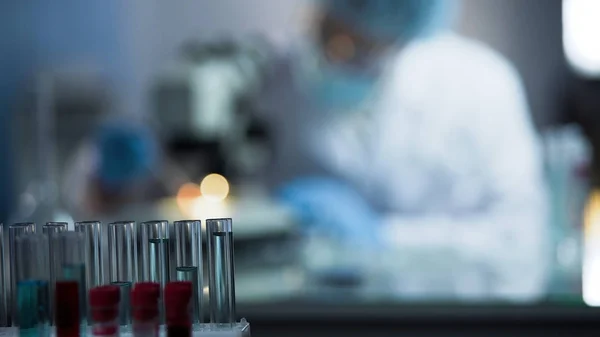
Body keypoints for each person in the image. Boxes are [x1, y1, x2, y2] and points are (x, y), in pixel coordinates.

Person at [257, 0, 549, 300]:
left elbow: (520, 242)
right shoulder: (273, 78)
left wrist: (386, 238)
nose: (336, 53)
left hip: (444, 312)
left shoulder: (482, 85)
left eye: (359, 44)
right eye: (329, 32)